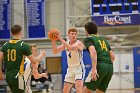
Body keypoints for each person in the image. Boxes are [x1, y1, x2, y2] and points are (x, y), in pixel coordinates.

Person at [0, 24, 45, 93]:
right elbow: (34, 60)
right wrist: (41, 55)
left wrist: (0, 72)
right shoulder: (24, 45)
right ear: (21, 32)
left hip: (8, 76)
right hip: (18, 76)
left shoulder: (5, 45)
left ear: (11, 33)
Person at [83, 21, 115, 93]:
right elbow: (113, 57)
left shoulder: (89, 39)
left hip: (100, 66)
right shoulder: (104, 40)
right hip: (110, 67)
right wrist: (106, 65)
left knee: (85, 89)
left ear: (87, 30)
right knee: (100, 91)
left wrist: (94, 69)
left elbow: (93, 52)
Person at [51, 28, 85, 93]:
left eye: (75, 34)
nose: (74, 35)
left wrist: (60, 38)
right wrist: (53, 40)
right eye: (72, 34)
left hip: (79, 68)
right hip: (70, 69)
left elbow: (71, 48)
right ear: (68, 35)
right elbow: (55, 51)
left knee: (78, 90)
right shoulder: (66, 44)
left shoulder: (79, 43)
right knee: (65, 90)